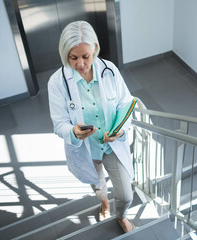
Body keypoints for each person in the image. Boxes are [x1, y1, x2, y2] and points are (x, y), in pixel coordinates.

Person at [48, 20, 135, 233]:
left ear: (94, 48)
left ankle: (121, 214)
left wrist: (121, 130)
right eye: (73, 57)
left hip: (112, 144)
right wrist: (73, 132)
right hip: (87, 150)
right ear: (65, 54)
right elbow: (59, 124)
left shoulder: (110, 71)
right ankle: (104, 203)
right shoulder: (57, 82)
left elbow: (126, 103)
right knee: (98, 186)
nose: (80, 64)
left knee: (126, 195)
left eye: (85, 56)